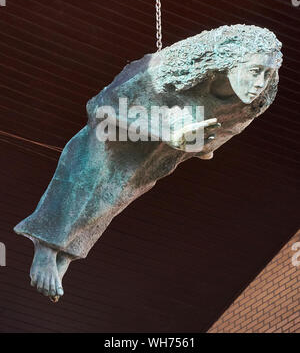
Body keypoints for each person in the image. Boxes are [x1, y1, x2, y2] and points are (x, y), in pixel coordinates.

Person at [14, 24, 282, 302]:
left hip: (159, 154)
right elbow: (102, 105)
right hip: (113, 133)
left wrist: (197, 143)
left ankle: (66, 252)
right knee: (88, 176)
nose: (261, 82)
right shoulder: (163, 70)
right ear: (228, 61)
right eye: (254, 71)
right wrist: (170, 132)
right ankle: (46, 246)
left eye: (268, 73)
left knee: (112, 199)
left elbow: (216, 138)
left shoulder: (251, 104)